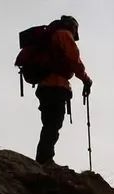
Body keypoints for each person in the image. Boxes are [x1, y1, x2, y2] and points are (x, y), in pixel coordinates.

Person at [35, 15, 93, 165]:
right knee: (53, 123)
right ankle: (45, 159)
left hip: (44, 86)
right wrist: (86, 79)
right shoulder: (63, 34)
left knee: (49, 123)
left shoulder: (51, 37)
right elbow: (74, 60)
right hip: (56, 85)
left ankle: (43, 157)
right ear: (72, 27)